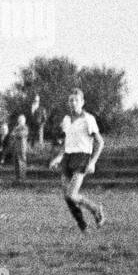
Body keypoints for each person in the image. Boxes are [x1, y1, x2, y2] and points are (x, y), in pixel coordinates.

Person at [47, 88, 105, 230]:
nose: (73, 103)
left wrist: (93, 162)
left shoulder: (88, 119)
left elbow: (100, 142)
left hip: (82, 157)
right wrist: (58, 157)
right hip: (68, 157)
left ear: (82, 102)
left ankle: (95, 209)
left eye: (76, 100)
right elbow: (67, 142)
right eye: (71, 100)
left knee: (72, 194)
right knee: (67, 196)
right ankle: (82, 225)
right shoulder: (66, 120)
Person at [5, 114, 29, 182]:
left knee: (22, 162)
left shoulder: (25, 127)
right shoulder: (16, 128)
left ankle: (22, 177)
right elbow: (11, 135)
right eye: (19, 120)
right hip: (15, 147)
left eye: (21, 120)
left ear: (24, 121)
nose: (20, 121)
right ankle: (17, 177)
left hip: (22, 147)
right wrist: (14, 134)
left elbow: (22, 134)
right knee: (16, 162)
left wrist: (15, 134)